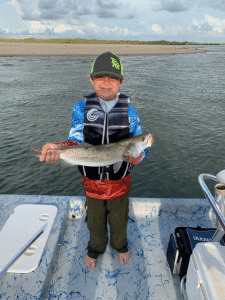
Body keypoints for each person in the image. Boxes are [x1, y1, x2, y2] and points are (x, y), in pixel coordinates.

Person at [39, 52, 148, 270]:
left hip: (120, 185)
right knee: (95, 224)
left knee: (119, 224)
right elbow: (76, 138)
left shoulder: (131, 113)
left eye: (112, 78)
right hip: (91, 186)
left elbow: (142, 151)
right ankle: (95, 250)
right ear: (91, 80)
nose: (106, 83)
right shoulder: (81, 108)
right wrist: (59, 149)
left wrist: (136, 156)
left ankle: (121, 246)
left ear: (121, 82)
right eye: (100, 77)